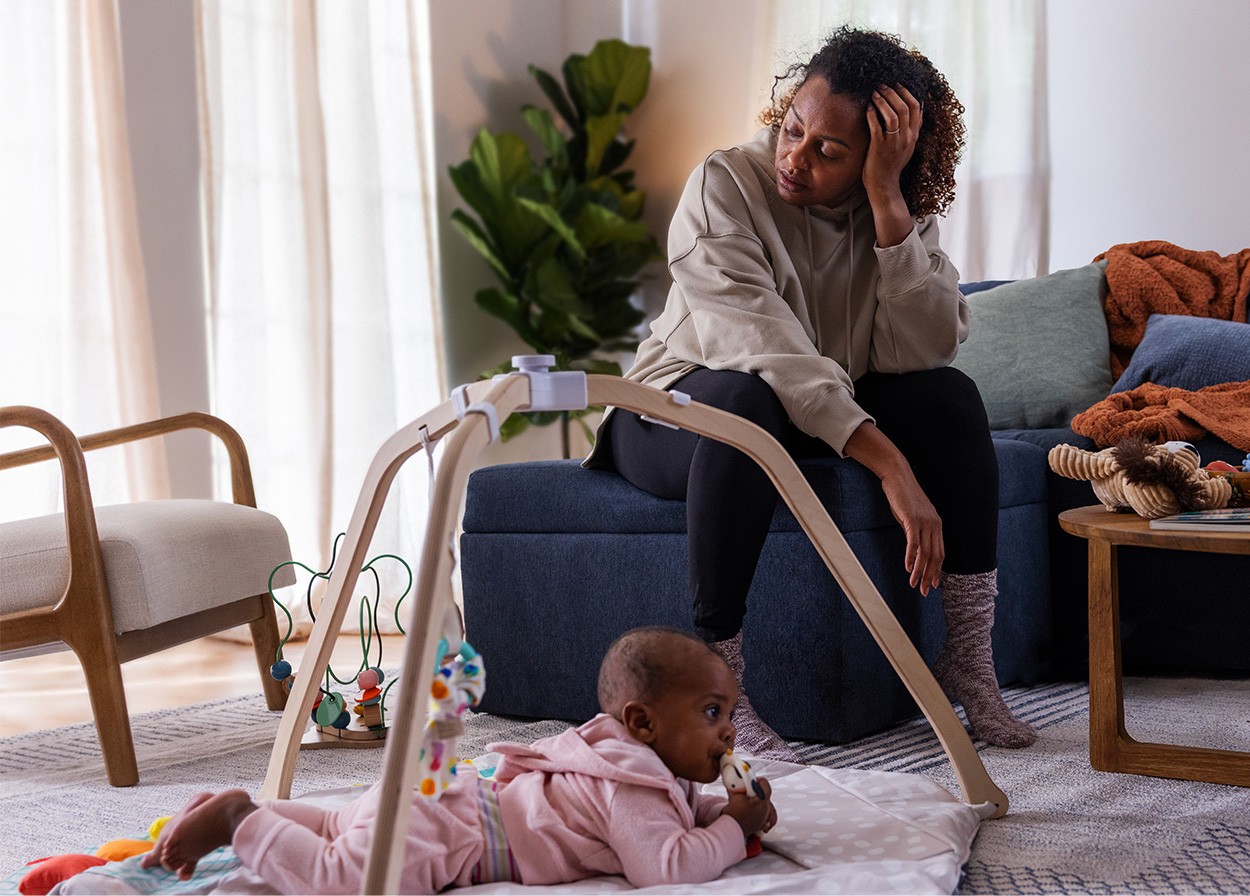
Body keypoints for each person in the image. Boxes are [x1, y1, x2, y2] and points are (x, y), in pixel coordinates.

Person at [586, 26, 1037, 756]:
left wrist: (890, 210)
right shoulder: (725, 184)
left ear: (878, 158)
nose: (795, 158)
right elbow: (765, 347)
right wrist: (890, 464)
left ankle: (968, 661)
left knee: (949, 397)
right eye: (793, 129)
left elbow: (920, 351)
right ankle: (720, 690)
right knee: (748, 405)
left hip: (805, 410)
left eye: (829, 151)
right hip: (676, 414)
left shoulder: (891, 212)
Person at [140, 627, 777, 892]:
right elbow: (664, 866)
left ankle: (258, 811)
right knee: (347, 881)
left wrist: (723, 806)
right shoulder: (632, 782)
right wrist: (734, 828)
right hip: (460, 831)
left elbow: (667, 821)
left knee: (342, 827)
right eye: (712, 713)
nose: (729, 734)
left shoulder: (624, 760)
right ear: (642, 721)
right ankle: (236, 820)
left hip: (446, 796)